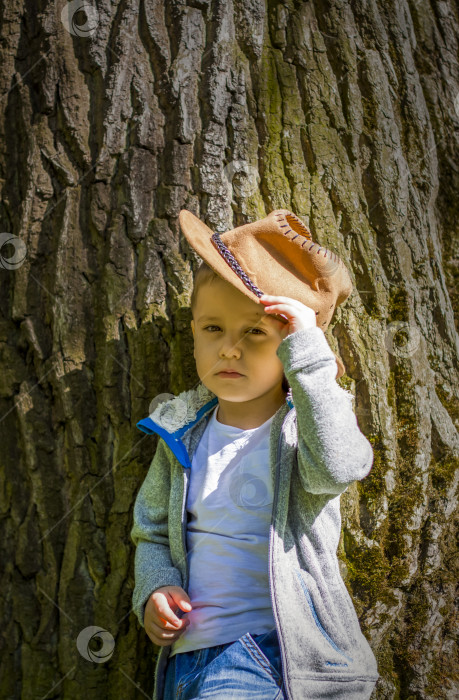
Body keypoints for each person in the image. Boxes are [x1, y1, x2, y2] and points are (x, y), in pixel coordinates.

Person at [130, 209, 380, 700]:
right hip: (185, 660)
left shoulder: (303, 429)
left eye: (256, 333)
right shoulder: (181, 431)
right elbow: (152, 531)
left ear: (293, 346)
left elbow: (340, 466)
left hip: (268, 655)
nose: (228, 350)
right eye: (212, 329)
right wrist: (154, 590)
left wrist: (308, 350)